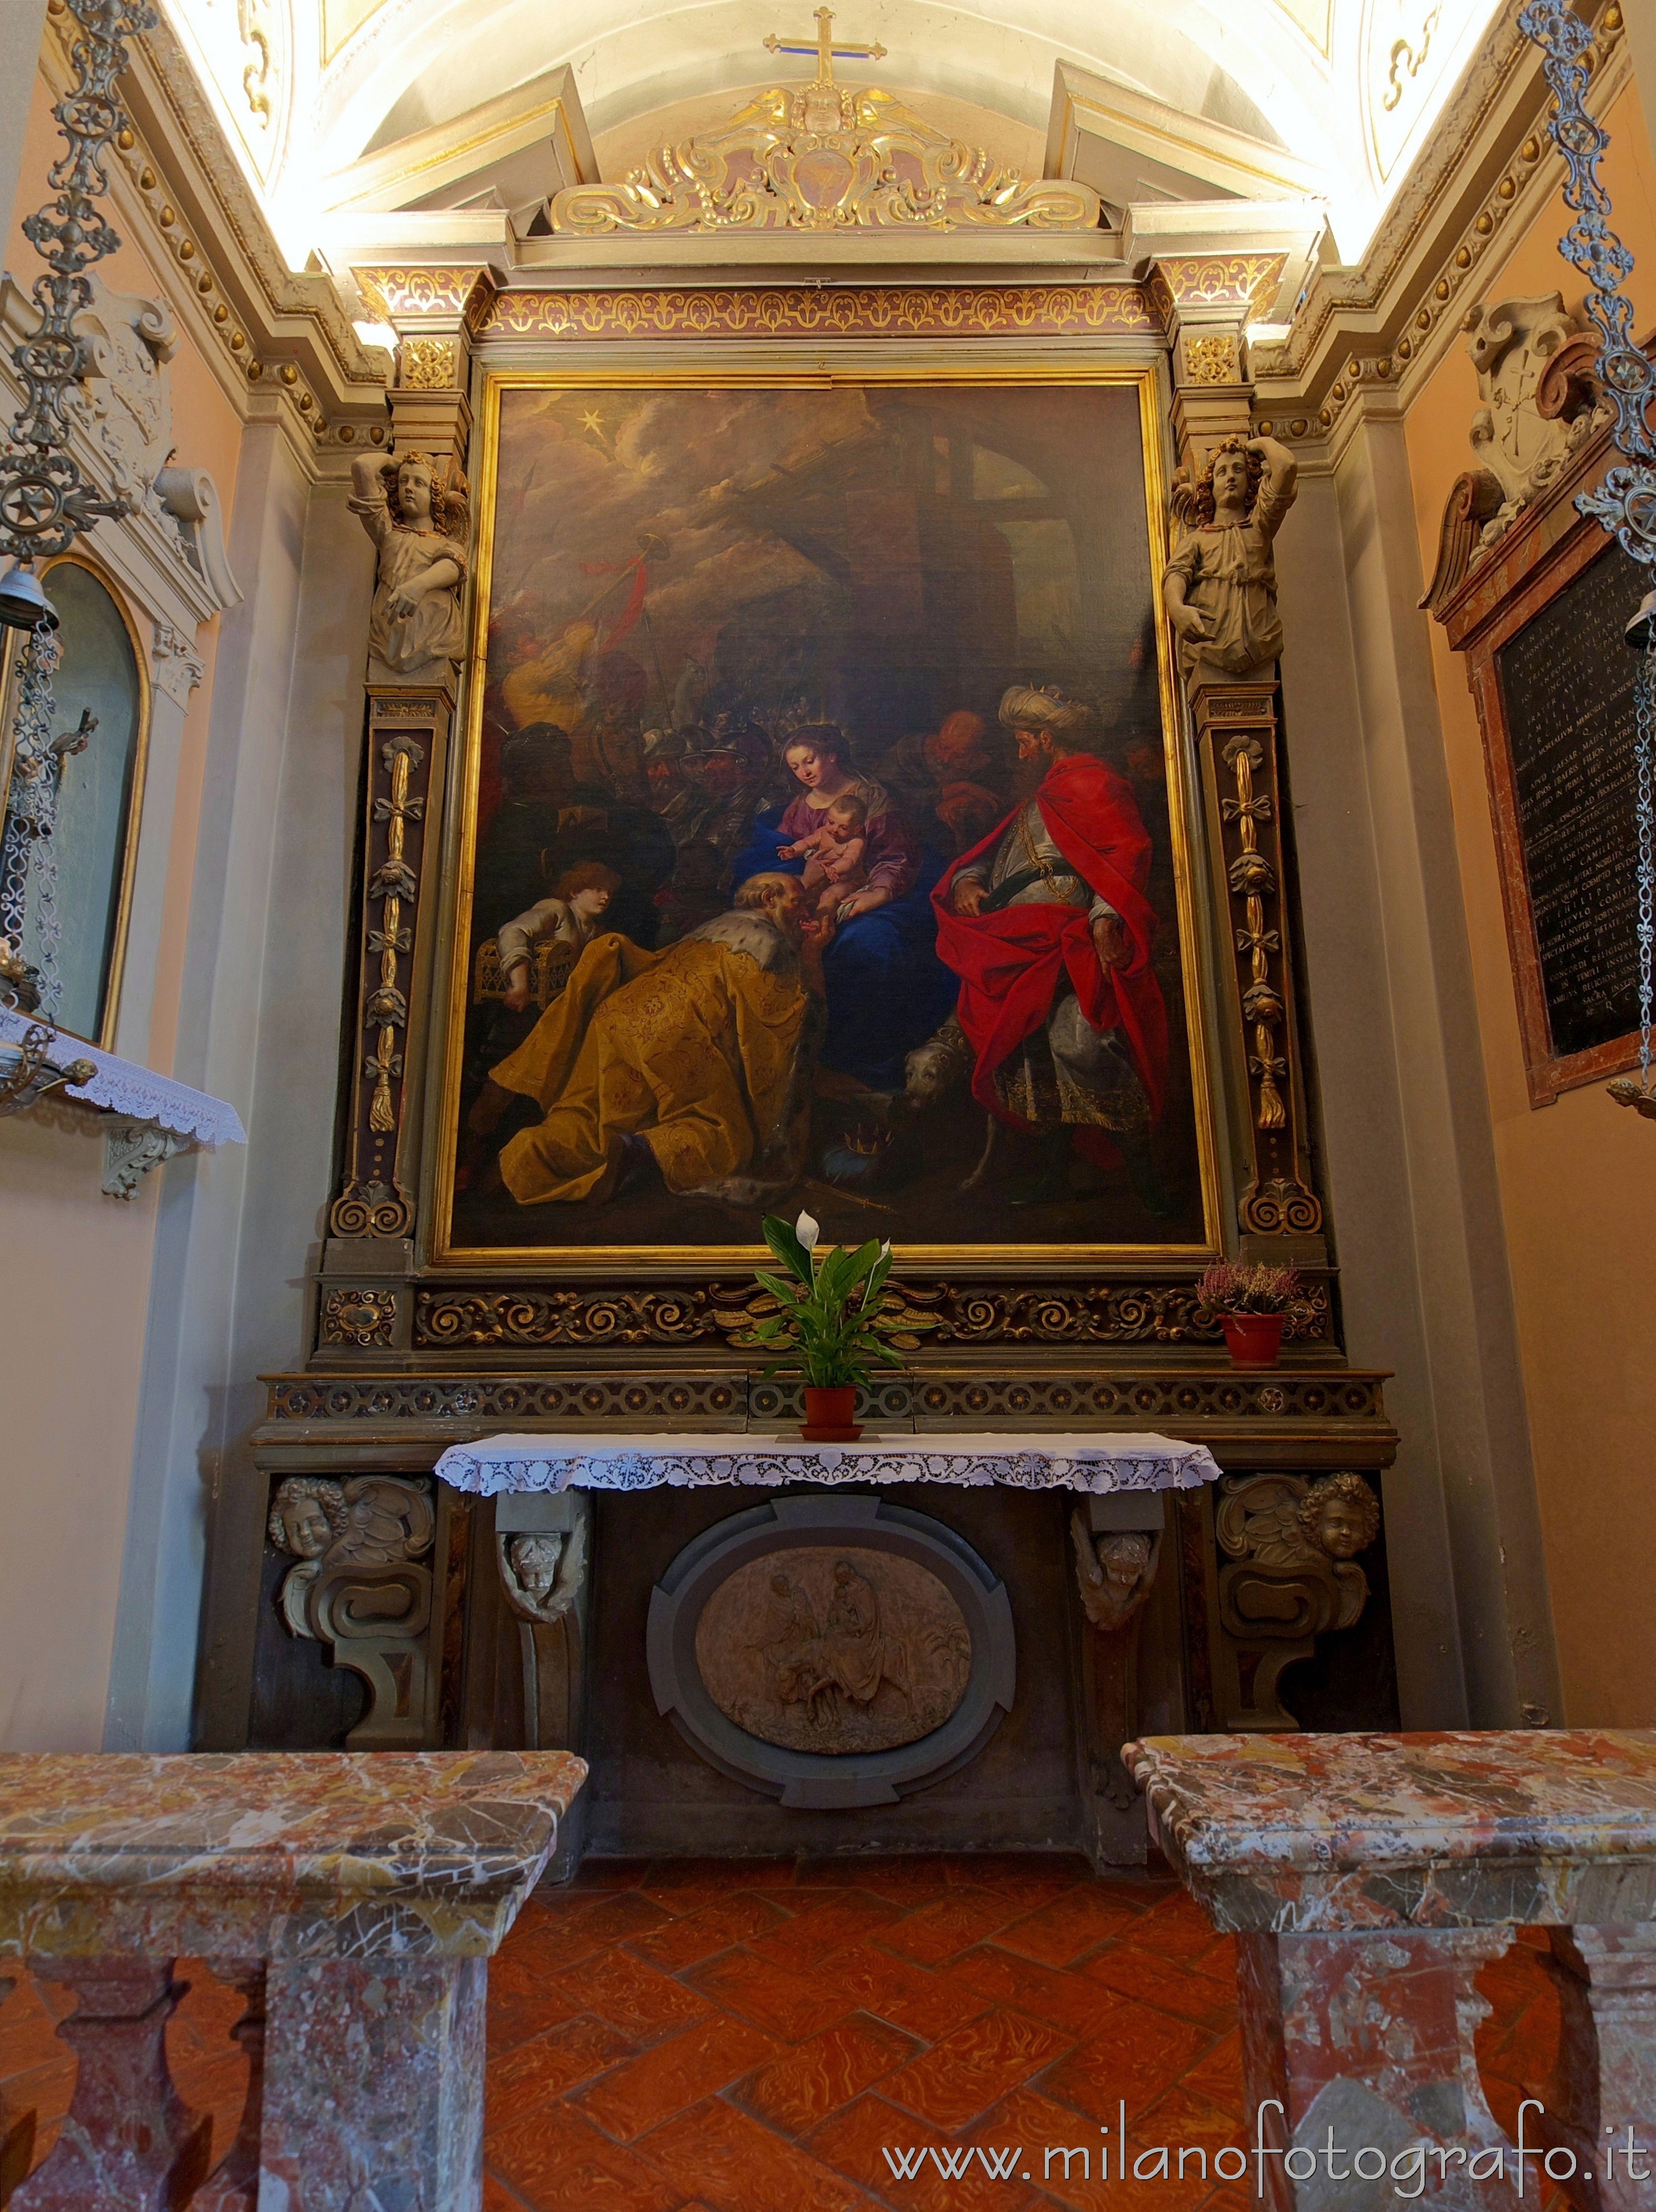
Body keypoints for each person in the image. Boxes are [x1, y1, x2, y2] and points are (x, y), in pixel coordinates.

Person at [933, 683, 1172, 1212]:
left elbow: (1127, 855)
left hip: (1073, 936)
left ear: (1045, 738)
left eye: (1023, 742)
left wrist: (1107, 916)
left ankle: (1145, 1179)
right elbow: (991, 856)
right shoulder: (1036, 800)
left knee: (1083, 1047)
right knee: (1033, 1056)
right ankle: (1053, 1177)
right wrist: (968, 882)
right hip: (1017, 938)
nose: (1018, 753)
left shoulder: (1096, 785)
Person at [486, 871, 826, 1207]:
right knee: (728, 1137)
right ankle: (640, 1150)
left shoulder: (710, 931)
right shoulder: (769, 944)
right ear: (770, 900)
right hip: (677, 1033)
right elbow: (788, 1022)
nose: (806, 914)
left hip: (620, 1013)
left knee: (593, 1117)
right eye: (798, 904)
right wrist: (813, 954)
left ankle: (523, 1160)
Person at [1163, 433, 1298, 688]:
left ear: (1250, 481)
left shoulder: (1260, 526)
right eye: (1222, 472)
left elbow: (1287, 467)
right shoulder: (1198, 539)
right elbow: (1176, 574)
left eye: (1239, 470)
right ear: (1209, 486)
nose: (1231, 477)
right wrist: (1177, 608)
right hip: (1210, 642)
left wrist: (1260, 444)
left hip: (1259, 639)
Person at [348, 452, 468, 674]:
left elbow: (454, 566)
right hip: (387, 636)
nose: (409, 488)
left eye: (419, 483)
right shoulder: (388, 533)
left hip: (434, 634)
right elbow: (362, 466)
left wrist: (417, 586)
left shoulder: (443, 543)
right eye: (404, 481)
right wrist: (392, 463)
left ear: (435, 495)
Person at [496, 861, 624, 1012]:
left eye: (610, 891)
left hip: (564, 1007)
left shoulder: (595, 931)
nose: (607, 896)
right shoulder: (558, 909)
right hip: (531, 1006)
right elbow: (512, 931)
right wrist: (519, 984)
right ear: (575, 892)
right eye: (599, 889)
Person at [780, 793, 868, 917]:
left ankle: (819, 924)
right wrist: (794, 850)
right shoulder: (823, 832)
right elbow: (807, 842)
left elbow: (849, 860)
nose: (834, 829)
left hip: (847, 882)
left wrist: (834, 869)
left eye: (843, 827)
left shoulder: (856, 842)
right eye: (831, 822)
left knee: (829, 896)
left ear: (856, 829)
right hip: (823, 879)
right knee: (795, 885)